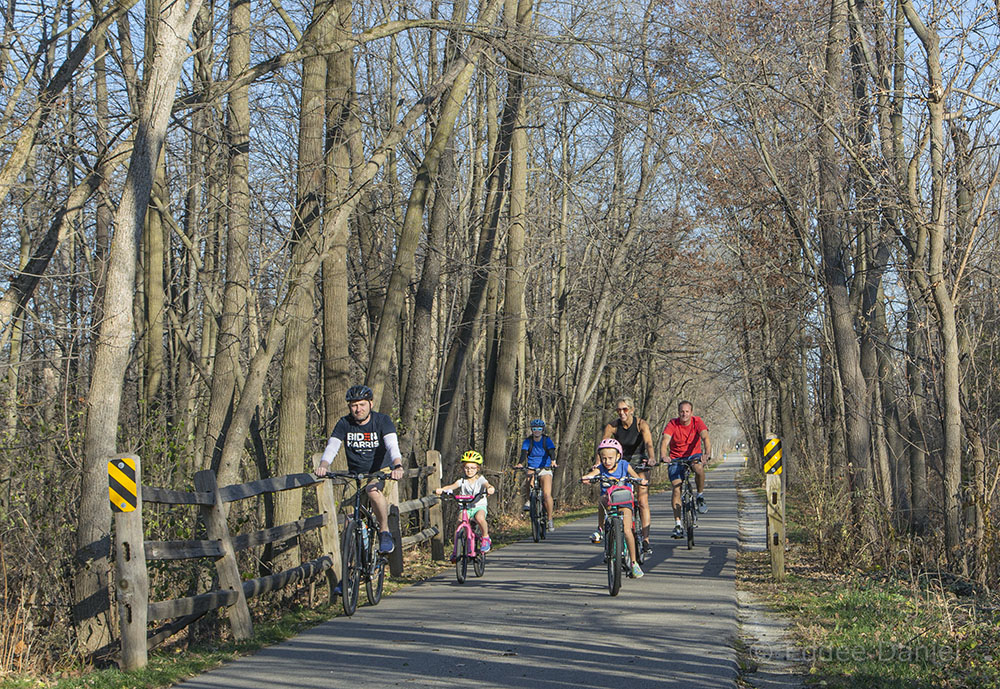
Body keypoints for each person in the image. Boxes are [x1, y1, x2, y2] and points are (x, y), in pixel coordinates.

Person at [316, 384, 405, 553]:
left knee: (372, 491)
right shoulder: (344, 423)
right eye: (354, 405)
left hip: (381, 471)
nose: (358, 409)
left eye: (362, 404)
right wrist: (323, 465)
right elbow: (333, 446)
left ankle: (384, 531)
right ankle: (352, 567)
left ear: (370, 404)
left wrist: (398, 465)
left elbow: (392, 445)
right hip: (356, 474)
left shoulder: (382, 421)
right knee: (350, 518)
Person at [581, 438, 647, 579]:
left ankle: (634, 562)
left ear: (618, 456)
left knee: (628, 530)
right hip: (609, 500)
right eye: (604, 458)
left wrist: (640, 481)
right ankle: (600, 529)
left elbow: (635, 476)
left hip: (625, 500)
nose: (607, 461)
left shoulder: (624, 465)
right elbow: (593, 474)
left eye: (610, 458)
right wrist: (587, 477)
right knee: (602, 500)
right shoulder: (601, 468)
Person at [602, 397, 657, 555]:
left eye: (625, 409)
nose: (622, 413)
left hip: (639, 462)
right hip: (620, 464)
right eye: (619, 410)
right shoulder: (613, 425)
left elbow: (648, 443)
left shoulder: (641, 424)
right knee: (616, 498)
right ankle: (612, 535)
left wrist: (651, 458)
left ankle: (645, 539)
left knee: (642, 501)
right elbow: (603, 445)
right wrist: (598, 462)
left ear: (631, 410)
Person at [660, 400, 711, 539]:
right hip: (676, 458)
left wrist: (706, 454)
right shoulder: (673, 424)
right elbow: (665, 440)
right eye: (682, 411)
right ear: (678, 412)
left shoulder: (697, 422)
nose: (684, 414)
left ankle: (700, 496)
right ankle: (677, 524)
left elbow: (705, 437)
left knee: (698, 468)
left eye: (687, 411)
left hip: (694, 455)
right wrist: (664, 455)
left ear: (691, 412)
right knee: (676, 487)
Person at [435, 450, 496, 554]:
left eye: (473, 468)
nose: (469, 470)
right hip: (465, 507)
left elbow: (487, 484)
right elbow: (452, 486)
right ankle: (456, 550)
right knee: (459, 523)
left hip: (478, 506)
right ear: (463, 468)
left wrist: (490, 488)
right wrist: (442, 490)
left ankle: (485, 537)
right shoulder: (462, 481)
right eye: (467, 468)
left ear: (478, 468)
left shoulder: (480, 479)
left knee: (479, 518)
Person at [515, 418, 557, 531]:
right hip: (532, 467)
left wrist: (553, 461)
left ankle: (549, 519)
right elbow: (524, 453)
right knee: (529, 480)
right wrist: (520, 463)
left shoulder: (546, 440)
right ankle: (529, 500)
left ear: (542, 429)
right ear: (532, 430)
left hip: (545, 468)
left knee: (547, 494)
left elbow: (551, 451)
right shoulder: (528, 441)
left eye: (539, 429)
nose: (537, 431)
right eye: (534, 429)